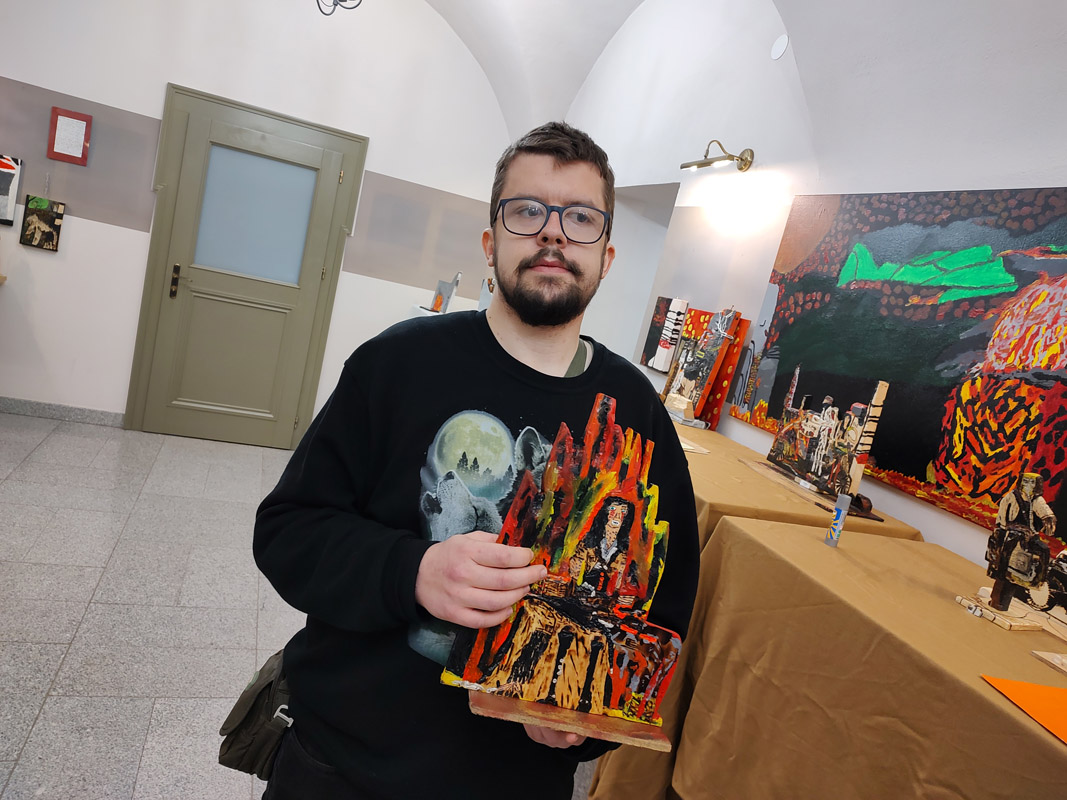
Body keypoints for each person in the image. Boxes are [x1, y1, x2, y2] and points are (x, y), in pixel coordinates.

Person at [253, 121, 700, 800]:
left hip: (513, 782)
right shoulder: (396, 363)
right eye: (527, 211)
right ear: (491, 243)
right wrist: (413, 571)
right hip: (341, 763)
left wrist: (585, 722)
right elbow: (288, 532)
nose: (553, 234)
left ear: (606, 258)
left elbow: (662, 607)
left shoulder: (636, 413)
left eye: (580, 218)